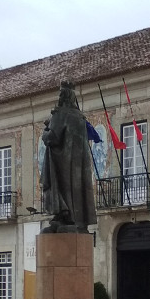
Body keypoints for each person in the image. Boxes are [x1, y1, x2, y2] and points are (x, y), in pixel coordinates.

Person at [40, 81, 97, 232]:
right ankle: (77, 218)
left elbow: (51, 138)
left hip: (62, 164)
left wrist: (46, 130)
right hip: (78, 165)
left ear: (62, 97)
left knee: (62, 189)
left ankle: (64, 216)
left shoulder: (60, 114)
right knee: (76, 190)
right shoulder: (80, 118)